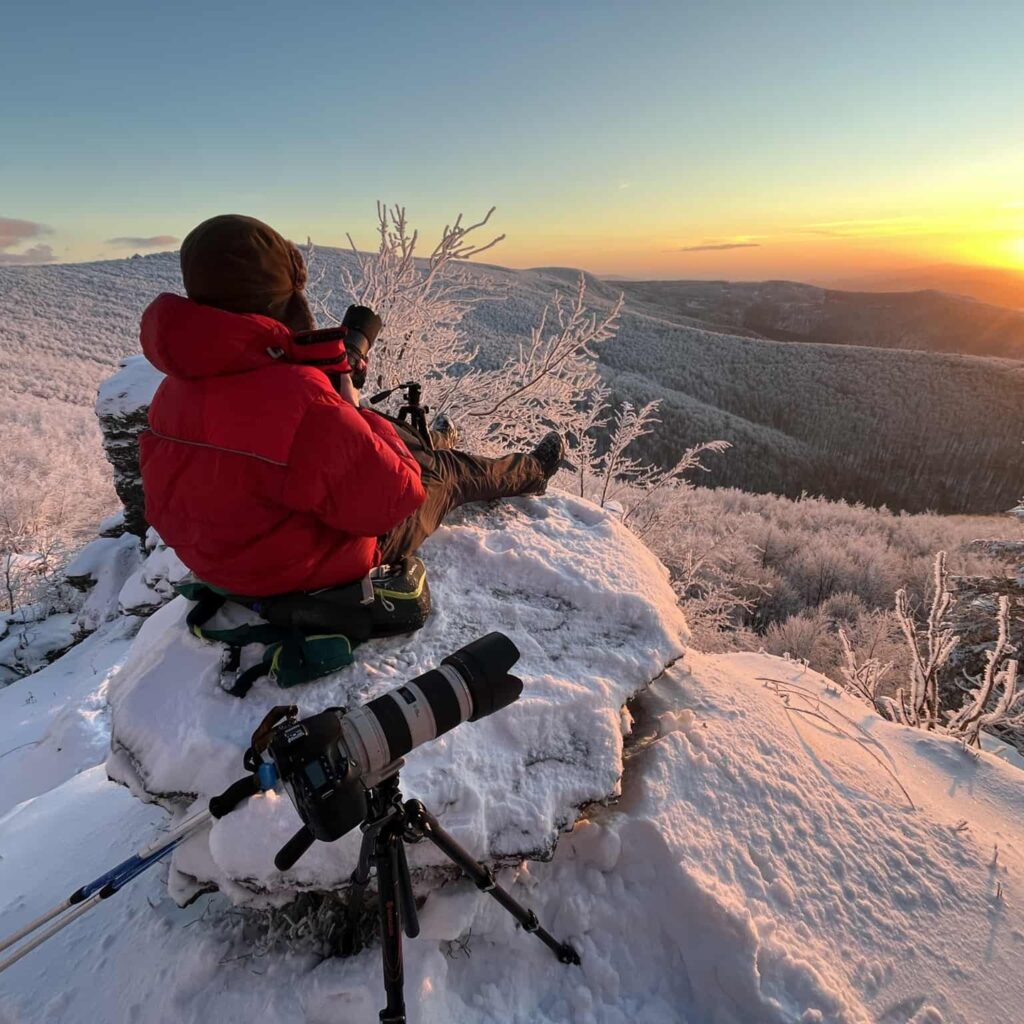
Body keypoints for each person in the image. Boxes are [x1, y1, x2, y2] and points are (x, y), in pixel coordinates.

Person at [138, 214, 563, 598]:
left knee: (377, 430)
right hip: (292, 570)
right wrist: (348, 406)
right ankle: (534, 472)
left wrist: (332, 401)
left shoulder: (175, 387)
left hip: (219, 560)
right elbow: (394, 499)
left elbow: (272, 444)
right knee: (446, 471)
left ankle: (435, 442)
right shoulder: (303, 401)